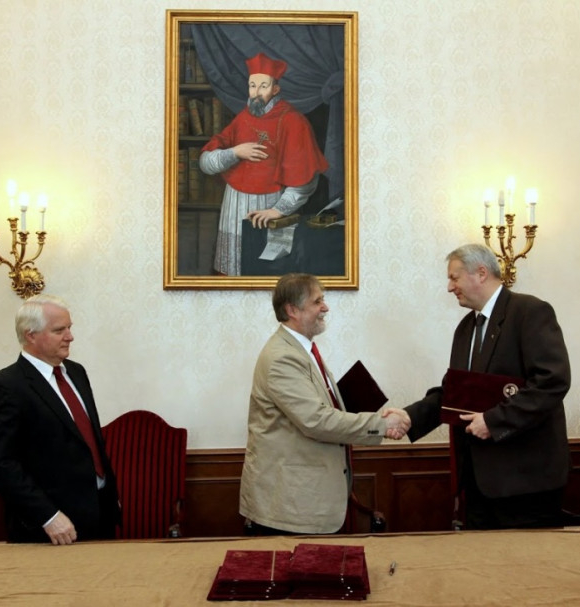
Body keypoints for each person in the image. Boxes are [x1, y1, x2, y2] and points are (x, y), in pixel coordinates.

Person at [404, 244, 572, 530]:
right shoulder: (465, 329)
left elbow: (552, 381)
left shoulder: (530, 312)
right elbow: (455, 393)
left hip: (526, 484)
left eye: (454, 278)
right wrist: (410, 417)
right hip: (478, 483)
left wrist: (494, 421)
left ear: (481, 273)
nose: (449, 287)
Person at [239, 273, 411, 535]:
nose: (325, 307)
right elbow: (316, 420)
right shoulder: (282, 357)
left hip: (306, 500)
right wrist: (382, 425)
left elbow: (320, 407)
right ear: (292, 310)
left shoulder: (302, 350)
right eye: (317, 301)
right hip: (289, 507)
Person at [0, 294, 121, 544]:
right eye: (59, 330)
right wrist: (48, 516)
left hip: (100, 514)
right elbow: (1, 465)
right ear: (31, 335)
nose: (70, 336)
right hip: (50, 528)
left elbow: (88, 440)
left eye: (69, 328)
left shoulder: (76, 372)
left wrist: (109, 496)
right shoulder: (5, 387)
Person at [200, 52, 329, 276]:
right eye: (252, 86)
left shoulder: (293, 121)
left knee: (262, 271)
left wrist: (277, 210)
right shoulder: (243, 117)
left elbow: (305, 180)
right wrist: (235, 152)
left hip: (269, 205)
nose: (257, 92)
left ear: (275, 89)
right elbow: (205, 162)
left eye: (263, 86)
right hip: (233, 206)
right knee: (230, 272)